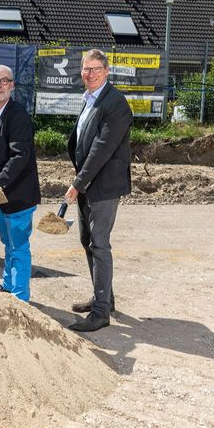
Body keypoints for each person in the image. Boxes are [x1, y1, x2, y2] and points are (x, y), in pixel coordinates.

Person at [65, 49, 133, 332]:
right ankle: (103, 297)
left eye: (94, 69)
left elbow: (101, 149)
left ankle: (101, 312)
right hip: (88, 183)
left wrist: (78, 183)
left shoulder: (115, 103)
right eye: (85, 69)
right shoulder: (91, 99)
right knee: (87, 240)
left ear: (106, 71)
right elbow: (82, 141)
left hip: (103, 186)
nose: (89, 74)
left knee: (99, 244)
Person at [0, 64, 41, 301]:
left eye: (4, 80)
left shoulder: (17, 115)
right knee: (8, 242)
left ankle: (20, 297)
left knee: (19, 246)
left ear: (12, 85)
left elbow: (19, 156)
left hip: (17, 196)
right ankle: (8, 283)